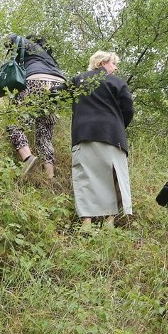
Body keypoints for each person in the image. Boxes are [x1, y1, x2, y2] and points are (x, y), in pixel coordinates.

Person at [67, 51, 134, 228]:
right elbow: (128, 109)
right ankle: (109, 223)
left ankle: (86, 223)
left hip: (84, 134)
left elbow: (58, 93)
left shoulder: (78, 80)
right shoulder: (117, 82)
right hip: (113, 136)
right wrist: (118, 127)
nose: (116, 67)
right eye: (114, 63)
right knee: (113, 177)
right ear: (103, 63)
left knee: (85, 177)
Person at [4, 34, 66, 180]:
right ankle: (50, 177)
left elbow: (10, 38)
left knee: (14, 121)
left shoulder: (26, 43)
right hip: (59, 84)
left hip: (36, 79)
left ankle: (27, 158)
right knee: (45, 134)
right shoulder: (47, 55)